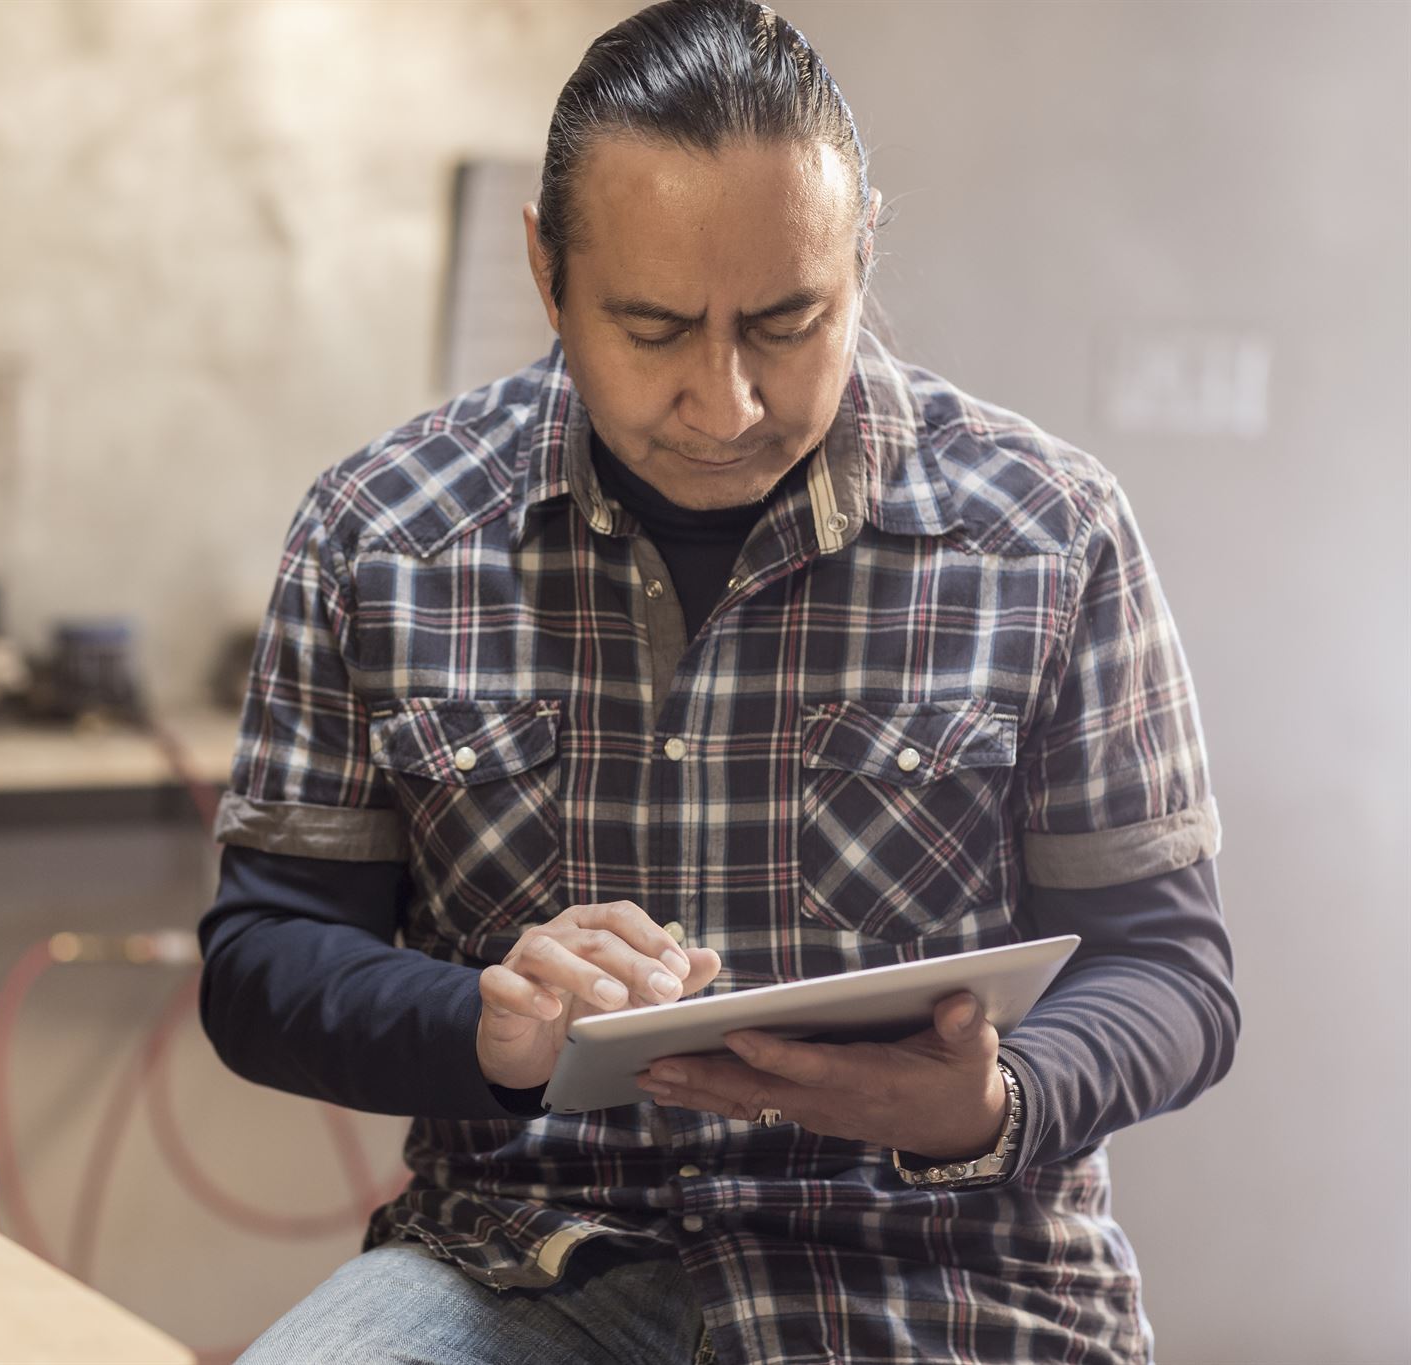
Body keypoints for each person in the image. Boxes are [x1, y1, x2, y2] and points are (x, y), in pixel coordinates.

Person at [199, 2, 1238, 1360]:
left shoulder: (1048, 530)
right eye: (654, 329)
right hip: (519, 1255)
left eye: (787, 322)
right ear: (546, 270)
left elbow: (1173, 969)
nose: (726, 400)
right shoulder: (382, 535)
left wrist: (998, 1098)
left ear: (864, 254)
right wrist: (489, 1026)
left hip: (947, 1266)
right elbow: (260, 961)